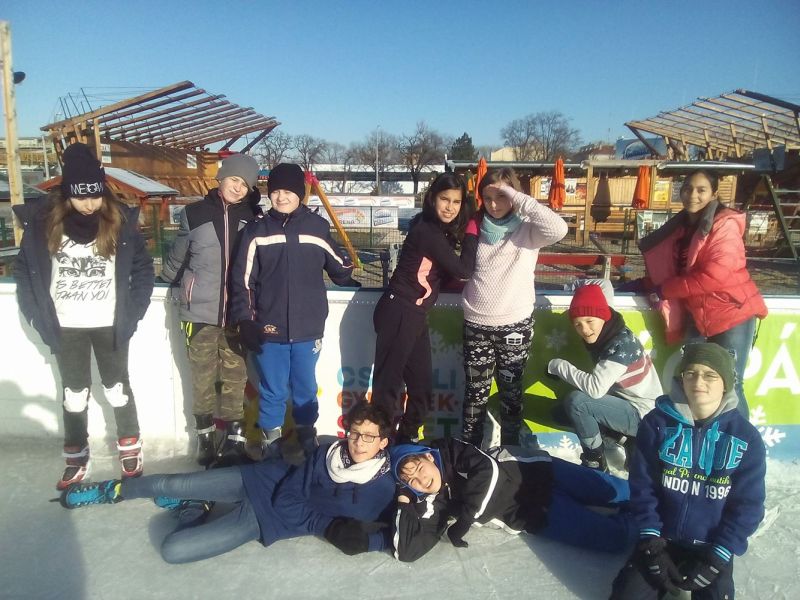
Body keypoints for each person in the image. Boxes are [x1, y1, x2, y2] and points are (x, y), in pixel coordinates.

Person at [59, 401, 396, 563]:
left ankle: (193, 509)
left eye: (368, 437)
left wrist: (367, 542)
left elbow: (400, 533)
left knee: (175, 550)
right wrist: (317, 520)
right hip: (256, 481)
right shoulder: (327, 450)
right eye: (355, 433)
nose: (358, 442)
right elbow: (290, 492)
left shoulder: (380, 490)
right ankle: (113, 490)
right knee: (170, 484)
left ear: (382, 443)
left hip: (266, 521)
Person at [13, 142, 154, 489]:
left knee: (117, 389)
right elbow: (24, 271)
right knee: (74, 394)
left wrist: (133, 313)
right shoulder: (43, 224)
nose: (89, 204)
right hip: (66, 325)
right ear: (67, 195)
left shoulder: (119, 221)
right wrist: (36, 317)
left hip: (110, 323)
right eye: (81, 196)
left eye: (95, 195)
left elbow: (143, 269)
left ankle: (129, 448)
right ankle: (76, 456)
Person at [610, 343, 766, 599]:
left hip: (711, 546)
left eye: (710, 375)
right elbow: (643, 486)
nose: (698, 381)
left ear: (725, 384)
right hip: (662, 539)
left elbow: (748, 505)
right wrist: (651, 541)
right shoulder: (656, 423)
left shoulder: (746, 437)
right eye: (690, 373)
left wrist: (718, 557)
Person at [230, 162, 359, 458]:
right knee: (273, 389)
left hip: (307, 328)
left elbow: (338, 264)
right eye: (276, 191)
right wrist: (246, 320)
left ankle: (306, 437)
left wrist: (347, 274)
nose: (281, 197)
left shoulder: (316, 227)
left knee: (305, 388)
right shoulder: (256, 231)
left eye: (288, 191)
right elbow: (242, 281)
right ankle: (272, 443)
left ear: (300, 194)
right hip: (269, 327)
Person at [639, 169, 767, 418]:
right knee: (693, 381)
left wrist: (665, 290)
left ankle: (739, 439)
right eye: (687, 189)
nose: (692, 195)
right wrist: (646, 284)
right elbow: (674, 268)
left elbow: (716, 275)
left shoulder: (724, 224)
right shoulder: (682, 228)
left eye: (701, 190)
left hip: (732, 312)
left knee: (731, 383)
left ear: (714, 194)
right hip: (698, 315)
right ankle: (701, 434)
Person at [161, 153, 262, 467]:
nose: (238, 187)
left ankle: (234, 438)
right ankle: (204, 436)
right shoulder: (194, 213)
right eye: (234, 179)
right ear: (221, 178)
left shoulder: (254, 217)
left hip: (237, 314)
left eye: (245, 184)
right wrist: (164, 278)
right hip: (199, 311)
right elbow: (178, 256)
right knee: (202, 378)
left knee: (235, 377)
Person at [389, 437, 635, 562]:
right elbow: (407, 551)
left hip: (540, 472)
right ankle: (644, 527)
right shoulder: (433, 502)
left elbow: (488, 474)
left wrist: (465, 519)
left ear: (428, 457)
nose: (422, 480)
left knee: (622, 491)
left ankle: (655, 507)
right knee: (615, 540)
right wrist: (403, 499)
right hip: (531, 513)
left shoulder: (451, 451)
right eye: (412, 481)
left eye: (418, 469)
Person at [461, 167, 568, 446]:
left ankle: (511, 451)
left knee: (511, 395)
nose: (494, 204)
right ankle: (468, 453)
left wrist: (517, 197)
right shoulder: (474, 227)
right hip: (477, 324)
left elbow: (559, 229)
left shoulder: (528, 229)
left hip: (514, 325)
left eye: (501, 196)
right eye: (488, 197)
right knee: (475, 396)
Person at [372, 172, 477, 443]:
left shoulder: (439, 231)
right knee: (388, 386)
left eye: (456, 202)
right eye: (445, 199)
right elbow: (463, 270)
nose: (450, 207)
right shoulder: (426, 231)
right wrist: (472, 232)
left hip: (416, 315)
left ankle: (405, 439)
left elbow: (439, 273)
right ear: (432, 199)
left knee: (422, 389)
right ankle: (379, 444)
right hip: (399, 310)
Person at [547, 281, 661, 471]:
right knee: (562, 414)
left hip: (643, 413)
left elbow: (595, 388)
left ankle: (595, 461)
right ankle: (627, 439)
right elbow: (605, 285)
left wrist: (558, 366)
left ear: (603, 316)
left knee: (578, 403)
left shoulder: (620, 345)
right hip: (625, 403)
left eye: (589, 321)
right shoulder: (609, 328)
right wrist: (579, 287)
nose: (585, 330)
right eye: (578, 324)